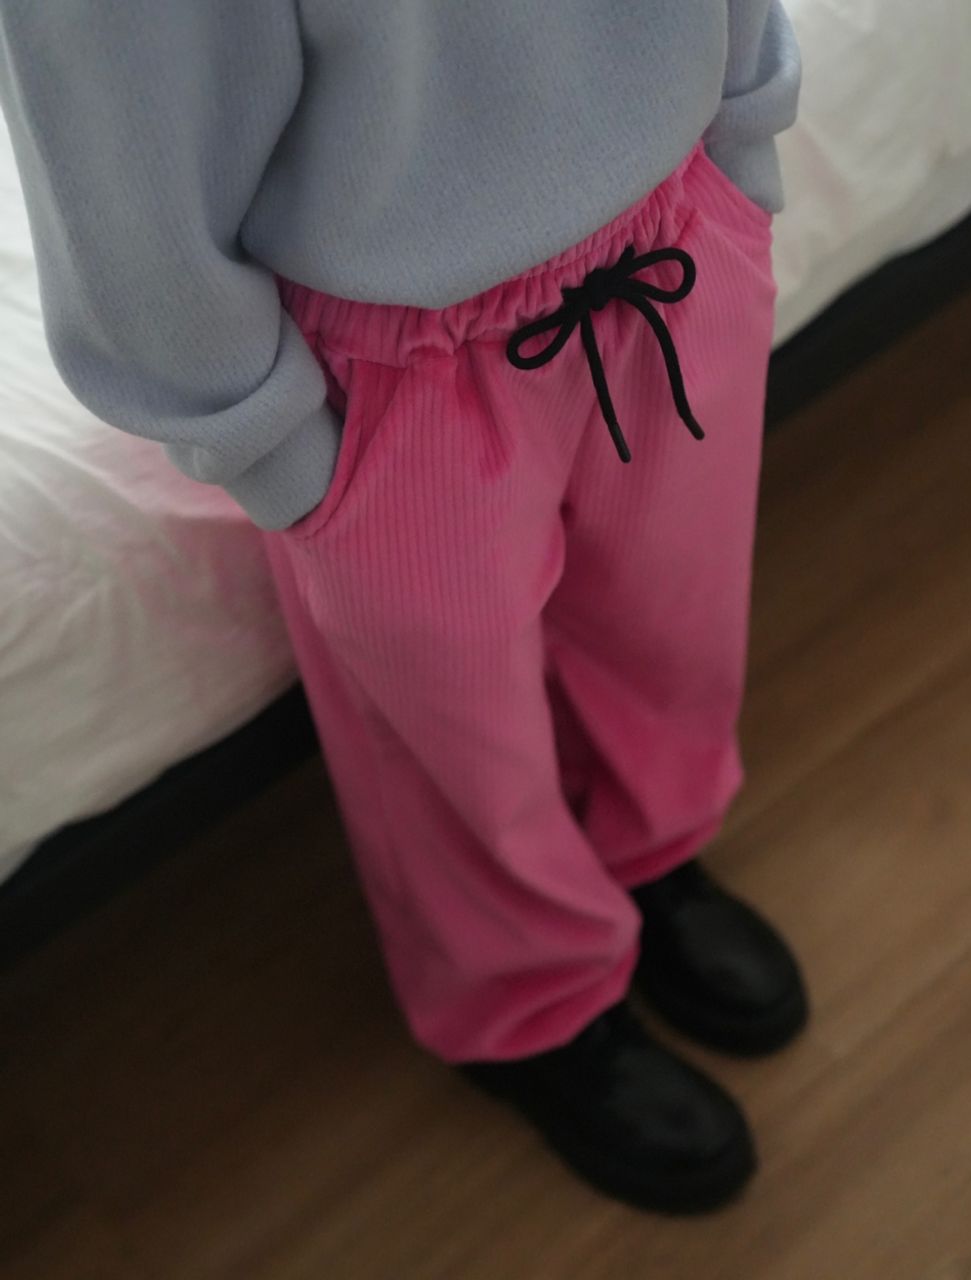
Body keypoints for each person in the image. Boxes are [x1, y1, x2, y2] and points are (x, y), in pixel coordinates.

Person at [0, 1, 807, 1215]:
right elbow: (121, 152)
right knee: (448, 735)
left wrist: (742, 134)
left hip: (671, 230)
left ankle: (648, 850)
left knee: (672, 614)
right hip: (395, 360)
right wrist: (271, 446)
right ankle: (533, 997)